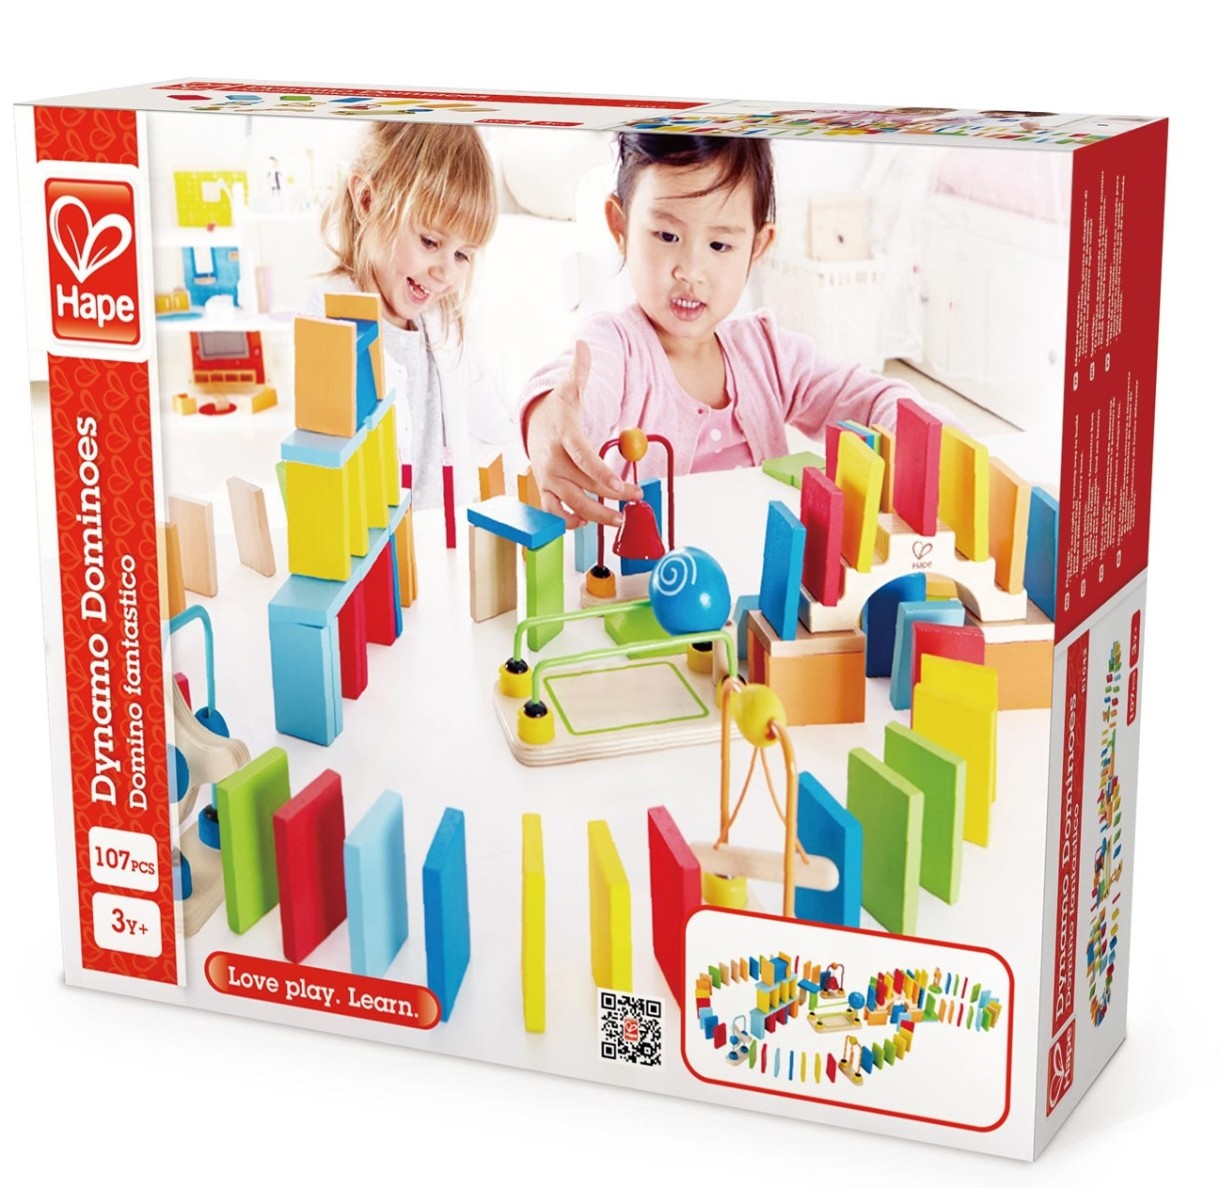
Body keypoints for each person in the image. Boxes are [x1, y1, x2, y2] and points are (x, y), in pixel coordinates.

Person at [520, 132, 921, 528]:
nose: (691, 271)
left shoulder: (768, 354)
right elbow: (576, 390)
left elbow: (871, 398)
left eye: (719, 245)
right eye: (667, 236)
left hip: (760, 565)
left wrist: (922, 439)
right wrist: (550, 419)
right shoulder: (618, 346)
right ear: (620, 227)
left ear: (757, 247)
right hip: (655, 569)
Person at [312, 122, 507, 510]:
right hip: (374, 537)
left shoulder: (444, 322)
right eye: (430, 242)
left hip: (443, 533)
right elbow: (321, 469)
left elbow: (495, 421)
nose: (446, 273)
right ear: (367, 201)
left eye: (462, 255)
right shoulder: (330, 322)